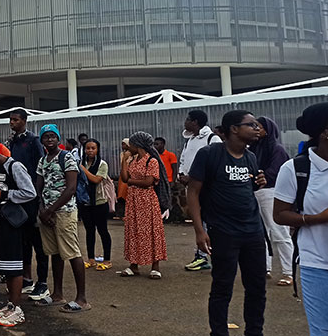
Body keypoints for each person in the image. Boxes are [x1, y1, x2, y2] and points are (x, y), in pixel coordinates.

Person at [188, 110, 267, 336]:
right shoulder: (210, 154)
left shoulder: (251, 157)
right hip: (223, 231)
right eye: (250, 125)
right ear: (234, 129)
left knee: (257, 288)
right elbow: (192, 191)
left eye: (257, 125)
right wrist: (199, 231)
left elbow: (246, 189)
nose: (257, 129)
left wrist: (259, 183)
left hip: (253, 231)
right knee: (222, 287)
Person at [273, 102, 328, 336]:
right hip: (319, 264)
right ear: (325, 132)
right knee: (324, 334)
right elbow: (280, 214)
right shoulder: (297, 168)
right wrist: (320, 218)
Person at [0, 140, 38, 327]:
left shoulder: (15, 166)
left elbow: (30, 192)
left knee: (14, 266)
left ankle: (17, 309)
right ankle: (10, 305)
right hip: (1, 221)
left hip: (14, 223)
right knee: (5, 267)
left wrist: (4, 195)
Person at [35, 124, 89, 313]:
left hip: (64, 212)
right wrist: (42, 210)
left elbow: (71, 188)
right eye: (46, 137)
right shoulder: (42, 161)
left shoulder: (66, 158)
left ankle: (81, 298)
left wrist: (50, 210)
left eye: (53, 136)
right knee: (55, 253)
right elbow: (39, 188)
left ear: (58, 139)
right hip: (47, 213)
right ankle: (57, 294)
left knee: (72, 252)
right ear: (41, 140)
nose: (49, 140)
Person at [6, 109, 49, 300]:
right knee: (23, 241)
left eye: (15, 120)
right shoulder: (12, 141)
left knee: (38, 242)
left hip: (32, 196)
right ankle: (26, 278)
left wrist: (39, 197)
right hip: (18, 197)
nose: (12, 123)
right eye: (11, 120)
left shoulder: (33, 140)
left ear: (24, 120)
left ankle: (43, 282)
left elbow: (40, 167)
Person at [249, 116, 294, 286]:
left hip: (271, 193)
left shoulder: (277, 149)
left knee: (279, 232)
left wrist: (261, 178)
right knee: (260, 233)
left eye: (258, 126)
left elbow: (275, 172)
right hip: (255, 193)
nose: (255, 129)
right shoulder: (252, 148)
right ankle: (265, 268)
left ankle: (288, 272)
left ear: (267, 130)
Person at [118, 132, 168, 279]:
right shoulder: (133, 161)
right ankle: (134, 265)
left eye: (131, 145)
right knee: (133, 230)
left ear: (138, 145)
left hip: (147, 200)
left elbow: (148, 182)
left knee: (151, 231)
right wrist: (124, 162)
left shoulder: (151, 161)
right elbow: (125, 178)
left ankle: (155, 266)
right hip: (133, 200)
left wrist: (132, 182)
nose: (129, 147)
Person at [179, 109, 224, 271]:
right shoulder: (190, 140)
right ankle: (202, 255)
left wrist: (194, 178)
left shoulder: (213, 138)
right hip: (192, 188)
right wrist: (181, 174)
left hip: (207, 189)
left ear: (195, 122)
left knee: (209, 222)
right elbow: (183, 159)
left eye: (188, 119)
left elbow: (217, 163)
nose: (185, 122)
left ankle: (208, 256)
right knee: (199, 221)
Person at [79, 139, 112, 270]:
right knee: (89, 231)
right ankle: (91, 259)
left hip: (99, 202)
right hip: (85, 202)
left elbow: (96, 179)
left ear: (98, 149)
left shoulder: (102, 164)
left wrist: (83, 170)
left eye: (93, 148)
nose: (90, 151)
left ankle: (107, 260)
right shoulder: (82, 163)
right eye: (88, 148)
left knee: (103, 230)